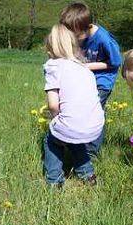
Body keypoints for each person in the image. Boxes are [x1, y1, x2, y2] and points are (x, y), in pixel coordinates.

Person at [42, 24, 104, 187]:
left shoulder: (53, 66)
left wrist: (55, 118)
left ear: (50, 49)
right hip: (95, 126)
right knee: (74, 137)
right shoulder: (85, 69)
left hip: (73, 125)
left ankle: (54, 180)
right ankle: (87, 174)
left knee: (52, 140)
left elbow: (53, 104)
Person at [59, 2, 121, 156]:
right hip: (85, 81)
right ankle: (75, 144)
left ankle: (91, 152)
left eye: (77, 35)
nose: (75, 38)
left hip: (102, 82)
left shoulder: (103, 39)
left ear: (88, 26)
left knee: (93, 113)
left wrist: (87, 67)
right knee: (79, 110)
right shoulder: (78, 33)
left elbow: (115, 62)